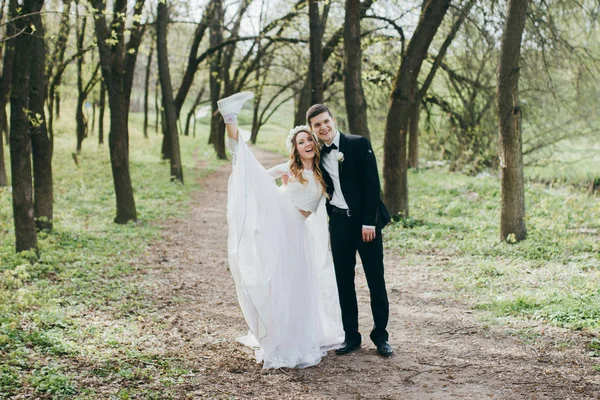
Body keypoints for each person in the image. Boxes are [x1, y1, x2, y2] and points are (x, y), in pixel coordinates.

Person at [218, 92, 344, 369]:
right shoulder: (289, 167)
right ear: (295, 148)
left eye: (310, 139)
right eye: (302, 142)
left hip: (297, 233)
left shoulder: (326, 169)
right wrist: (280, 187)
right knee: (277, 282)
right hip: (279, 225)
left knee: (295, 286)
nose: (308, 143)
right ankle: (230, 119)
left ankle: (294, 335)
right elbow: (257, 179)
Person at [307, 104, 393, 357]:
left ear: (333, 120)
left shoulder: (358, 143)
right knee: (344, 283)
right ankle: (351, 337)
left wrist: (369, 221)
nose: (323, 127)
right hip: (340, 224)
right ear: (313, 130)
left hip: (366, 225)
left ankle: (381, 337)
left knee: (375, 280)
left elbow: (371, 184)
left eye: (325, 121)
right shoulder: (318, 155)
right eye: (317, 125)